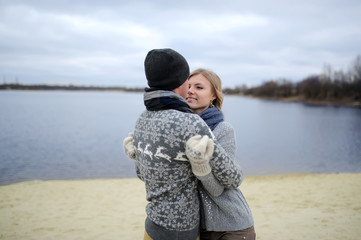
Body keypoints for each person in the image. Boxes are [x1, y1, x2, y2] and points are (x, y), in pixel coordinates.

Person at [123, 48, 243, 240]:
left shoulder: (142, 120)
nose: (191, 89)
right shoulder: (191, 122)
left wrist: (141, 158)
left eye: (199, 87)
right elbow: (233, 178)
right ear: (180, 81)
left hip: (153, 225)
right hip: (182, 230)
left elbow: (145, 176)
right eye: (188, 80)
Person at [186, 68, 255, 240]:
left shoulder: (222, 129)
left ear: (213, 96)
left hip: (231, 225)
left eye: (199, 87)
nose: (190, 91)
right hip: (195, 228)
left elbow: (228, 183)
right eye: (188, 86)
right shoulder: (177, 128)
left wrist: (201, 165)